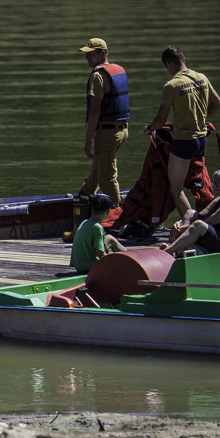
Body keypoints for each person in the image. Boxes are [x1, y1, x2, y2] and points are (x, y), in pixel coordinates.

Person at [144, 45, 220, 223]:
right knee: (195, 182)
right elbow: (218, 104)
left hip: (184, 141)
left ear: (168, 64)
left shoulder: (171, 85)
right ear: (184, 60)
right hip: (202, 139)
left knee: (176, 188)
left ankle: (191, 226)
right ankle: (201, 219)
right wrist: (200, 117)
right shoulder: (202, 77)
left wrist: (149, 128)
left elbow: (160, 120)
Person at [76, 38, 129, 202]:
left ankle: (115, 211)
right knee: (98, 168)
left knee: (107, 178)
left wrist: (87, 141)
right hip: (122, 130)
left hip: (107, 134)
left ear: (103, 53)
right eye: (86, 54)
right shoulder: (118, 70)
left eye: (91, 54)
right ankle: (85, 196)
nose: (87, 58)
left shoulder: (98, 76)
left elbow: (95, 111)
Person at [164, 167, 220, 259]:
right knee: (190, 213)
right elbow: (200, 216)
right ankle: (178, 248)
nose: (215, 186)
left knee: (199, 225)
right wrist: (179, 223)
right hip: (217, 241)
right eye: (214, 183)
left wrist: (182, 228)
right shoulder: (219, 199)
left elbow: (208, 222)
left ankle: (167, 252)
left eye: (219, 183)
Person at [71, 193, 127, 272]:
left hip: (79, 266)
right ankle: (131, 259)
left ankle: (129, 257)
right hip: (89, 267)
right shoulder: (97, 227)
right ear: (108, 212)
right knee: (119, 263)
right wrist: (113, 261)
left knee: (109, 238)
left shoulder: (85, 222)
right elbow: (100, 254)